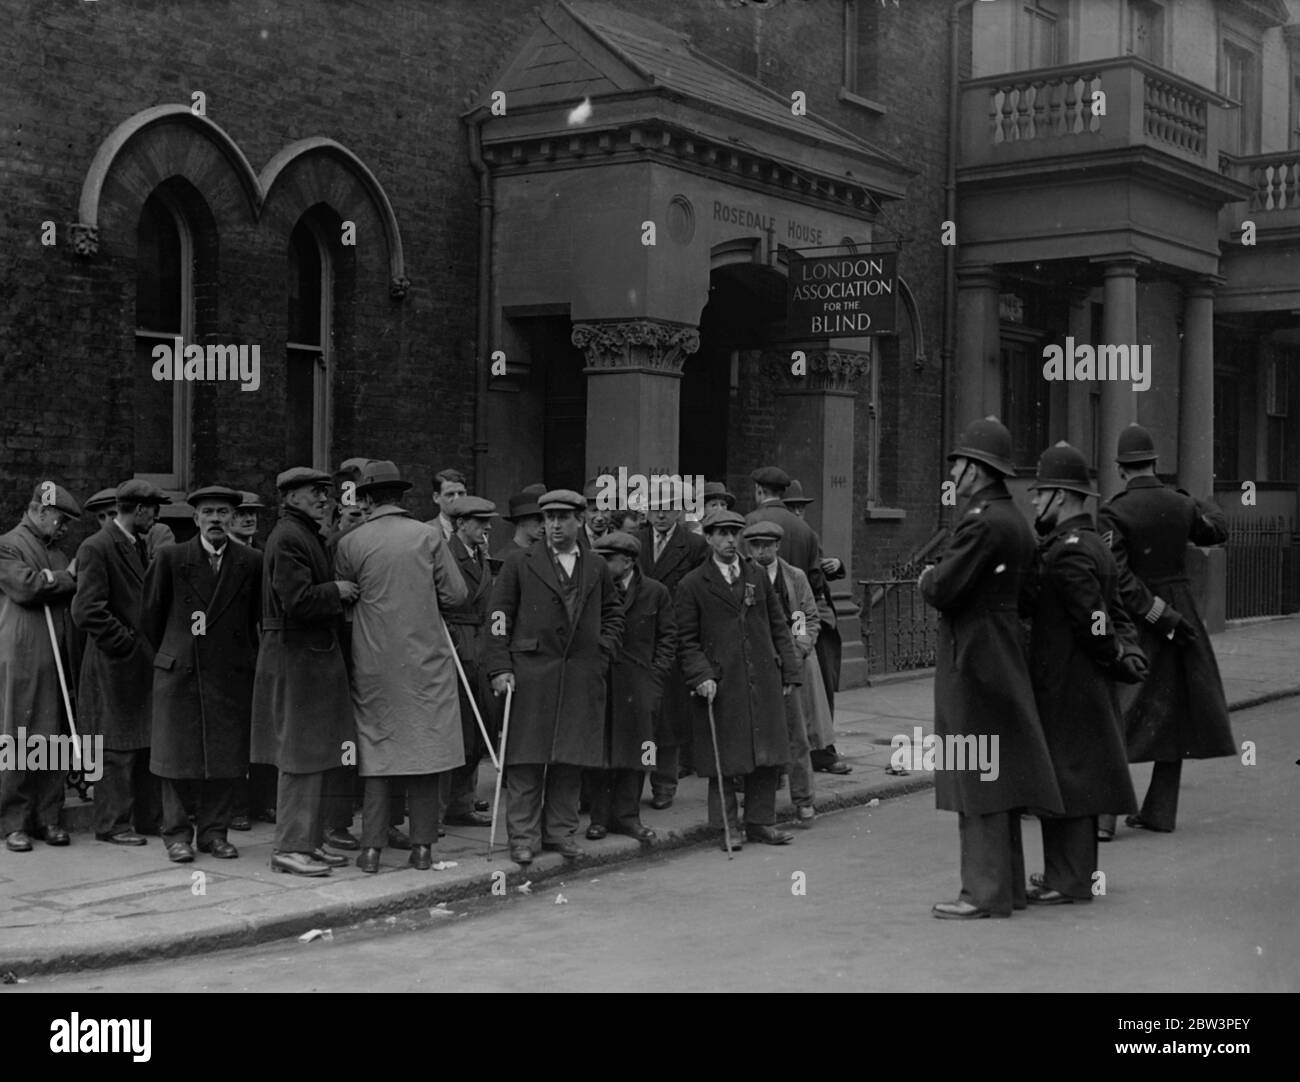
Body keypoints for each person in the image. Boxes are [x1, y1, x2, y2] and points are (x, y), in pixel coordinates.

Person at [919, 418, 1062, 918]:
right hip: (1002, 651)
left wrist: (926, 577)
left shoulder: (979, 521)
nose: (953, 473)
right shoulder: (1015, 518)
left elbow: (942, 588)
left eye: (958, 464)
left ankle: (982, 892)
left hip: (973, 655)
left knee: (973, 768)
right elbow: (1030, 594)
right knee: (995, 770)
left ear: (976, 470)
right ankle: (1007, 887)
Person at [1096, 424, 1234, 838]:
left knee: (1119, 712)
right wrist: (1193, 497)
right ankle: (1159, 811)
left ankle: (1105, 819)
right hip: (1183, 614)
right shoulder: (1180, 504)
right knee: (1173, 709)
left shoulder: (1114, 512)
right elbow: (1217, 529)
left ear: (1121, 469)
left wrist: (1154, 613)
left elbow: (1119, 577)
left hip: (1139, 619)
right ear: (1155, 463)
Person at [1025, 443, 1145, 904]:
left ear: (1062, 497)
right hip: (1084, 682)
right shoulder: (1093, 542)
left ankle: (1069, 881)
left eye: (1041, 494)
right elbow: (1117, 612)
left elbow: (1094, 619)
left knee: (1070, 781)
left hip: (1067, 683)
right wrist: (1125, 652)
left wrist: (1114, 654)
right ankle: (1066, 874)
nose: (1034, 502)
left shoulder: (1070, 552)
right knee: (1074, 777)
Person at [335, 461, 468, 873]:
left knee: (379, 751)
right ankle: (422, 848)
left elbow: (345, 601)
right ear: (401, 497)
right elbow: (457, 594)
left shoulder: (350, 543)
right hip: (425, 661)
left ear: (368, 499)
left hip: (373, 662)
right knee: (425, 751)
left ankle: (371, 849)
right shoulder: (426, 537)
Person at [484, 489, 624, 865]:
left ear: (580, 520)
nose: (555, 525)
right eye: (549, 519)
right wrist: (500, 667)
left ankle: (560, 833)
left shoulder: (595, 566)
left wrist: (602, 649)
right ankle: (523, 838)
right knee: (526, 759)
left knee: (569, 758)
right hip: (531, 674)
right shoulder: (519, 562)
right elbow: (498, 618)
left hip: (580, 674)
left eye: (564, 518)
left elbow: (614, 612)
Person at [141, 486, 262, 864]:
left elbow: (256, 618)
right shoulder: (172, 558)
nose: (215, 519)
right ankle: (176, 835)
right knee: (176, 760)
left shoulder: (251, 561)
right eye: (208, 512)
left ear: (232, 519)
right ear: (195, 519)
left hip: (229, 676)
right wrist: (168, 658)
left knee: (224, 760)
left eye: (223, 513)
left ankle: (214, 834)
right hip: (181, 675)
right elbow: (149, 621)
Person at [250, 468, 358, 876]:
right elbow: (296, 600)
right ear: (289, 496)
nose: (323, 498)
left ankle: (308, 844)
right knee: (297, 754)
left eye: (325, 492)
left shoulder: (303, 534)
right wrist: (338, 591)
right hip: (297, 657)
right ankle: (290, 848)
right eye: (314, 492)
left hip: (308, 657)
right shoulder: (290, 537)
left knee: (315, 754)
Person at [675, 508, 802, 851]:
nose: (730, 539)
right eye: (721, 533)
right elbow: (685, 640)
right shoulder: (692, 584)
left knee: (766, 754)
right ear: (708, 537)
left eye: (734, 532)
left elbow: (778, 625)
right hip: (721, 682)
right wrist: (700, 675)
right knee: (725, 758)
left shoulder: (756, 576)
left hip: (762, 677)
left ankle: (760, 822)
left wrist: (789, 671)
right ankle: (728, 827)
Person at [72, 479, 166, 846]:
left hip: (134, 663)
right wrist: (126, 643)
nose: (156, 517)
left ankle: (145, 819)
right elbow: (86, 610)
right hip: (113, 664)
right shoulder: (96, 546)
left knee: (140, 742)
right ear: (140, 509)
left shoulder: (135, 544)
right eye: (153, 509)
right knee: (115, 747)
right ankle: (112, 824)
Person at [0, 482, 81, 852]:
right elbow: (26, 587)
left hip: (55, 656)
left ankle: (48, 816)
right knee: (20, 735)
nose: (64, 529)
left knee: (54, 735)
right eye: (61, 520)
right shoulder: (8, 545)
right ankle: (14, 822)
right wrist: (66, 579)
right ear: (40, 510)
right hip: (23, 657)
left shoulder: (59, 554)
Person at [588, 531, 674, 843]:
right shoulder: (593, 590)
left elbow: (668, 637)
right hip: (604, 681)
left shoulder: (655, 592)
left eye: (608, 558)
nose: (601, 563)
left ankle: (628, 817)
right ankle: (599, 818)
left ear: (629, 561)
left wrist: (656, 677)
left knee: (639, 752)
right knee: (602, 752)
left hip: (640, 684)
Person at [743, 520, 820, 823]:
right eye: (755, 545)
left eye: (767, 544)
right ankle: (759, 799)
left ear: (777, 546)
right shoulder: (744, 576)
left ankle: (803, 799)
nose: (761, 551)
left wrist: (798, 648)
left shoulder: (794, 577)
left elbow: (806, 616)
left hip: (787, 661)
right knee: (756, 732)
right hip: (756, 664)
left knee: (795, 734)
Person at [635, 499, 707, 809]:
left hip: (673, 641)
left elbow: (700, 595)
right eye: (654, 508)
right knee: (640, 719)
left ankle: (664, 783)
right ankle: (636, 779)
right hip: (636, 642)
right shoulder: (634, 543)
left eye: (668, 507)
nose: (661, 514)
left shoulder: (694, 546)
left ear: (680, 511)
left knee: (667, 719)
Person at [783, 480, 851, 774]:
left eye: (801, 507)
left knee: (824, 685)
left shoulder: (807, 535)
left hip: (820, 620)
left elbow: (818, 571)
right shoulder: (778, 537)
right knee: (810, 688)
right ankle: (817, 751)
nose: (799, 512)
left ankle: (823, 747)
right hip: (804, 623)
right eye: (793, 507)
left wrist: (836, 564)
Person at [440, 495, 497, 828]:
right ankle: (443, 807)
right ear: (461, 524)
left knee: (478, 727)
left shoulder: (480, 554)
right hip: (456, 646)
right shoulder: (446, 554)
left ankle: (461, 804)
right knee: (458, 728)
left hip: (480, 645)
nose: (487, 527)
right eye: (480, 521)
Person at [492, 490, 543, 563]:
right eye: (538, 520)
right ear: (521, 521)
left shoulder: (543, 555)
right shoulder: (504, 558)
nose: (543, 525)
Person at [430, 468, 467, 542]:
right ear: (436, 497)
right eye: (450, 494)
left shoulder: (474, 529)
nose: (457, 499)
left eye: (461, 493)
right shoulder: (426, 531)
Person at [581, 477, 611, 549]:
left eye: (605, 510)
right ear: (584, 512)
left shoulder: (620, 541)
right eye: (594, 510)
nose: (599, 517)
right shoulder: (572, 539)